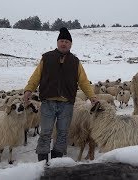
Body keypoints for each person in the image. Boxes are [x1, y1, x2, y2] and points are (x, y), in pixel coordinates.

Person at [23, 27, 98, 162]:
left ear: (71, 44)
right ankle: (43, 162)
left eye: (67, 41)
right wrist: (29, 89)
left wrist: (92, 96)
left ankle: (56, 162)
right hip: (48, 102)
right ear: (58, 42)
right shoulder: (47, 58)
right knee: (45, 132)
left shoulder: (75, 62)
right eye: (62, 41)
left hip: (67, 104)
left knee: (63, 134)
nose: (64, 43)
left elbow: (83, 81)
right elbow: (36, 77)